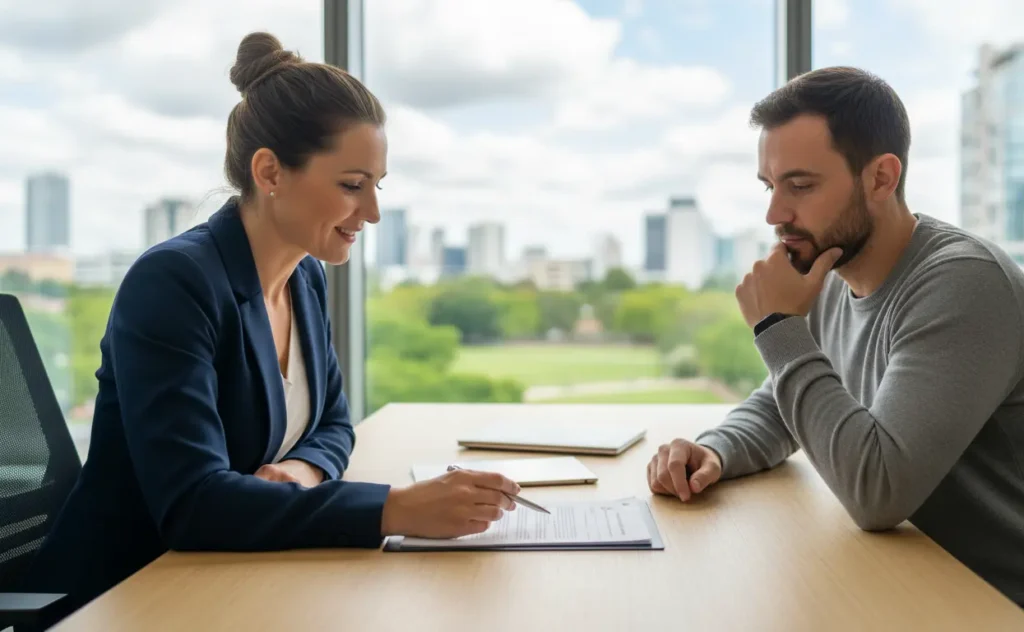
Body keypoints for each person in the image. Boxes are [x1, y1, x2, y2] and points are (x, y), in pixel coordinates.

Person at [27, 32, 519, 615]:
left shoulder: (303, 277)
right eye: (351, 186)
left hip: (235, 577)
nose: (373, 212)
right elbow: (192, 504)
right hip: (129, 593)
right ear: (270, 172)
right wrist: (396, 509)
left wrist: (299, 470)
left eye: (376, 187)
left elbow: (334, 422)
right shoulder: (173, 284)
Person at [647, 66, 1024, 607]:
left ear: (880, 178)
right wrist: (714, 450)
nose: (775, 213)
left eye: (801, 185)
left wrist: (776, 327)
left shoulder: (963, 283)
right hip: (911, 576)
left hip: (994, 598)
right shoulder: (829, 273)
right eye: (770, 186)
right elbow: (786, 401)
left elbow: (878, 493)